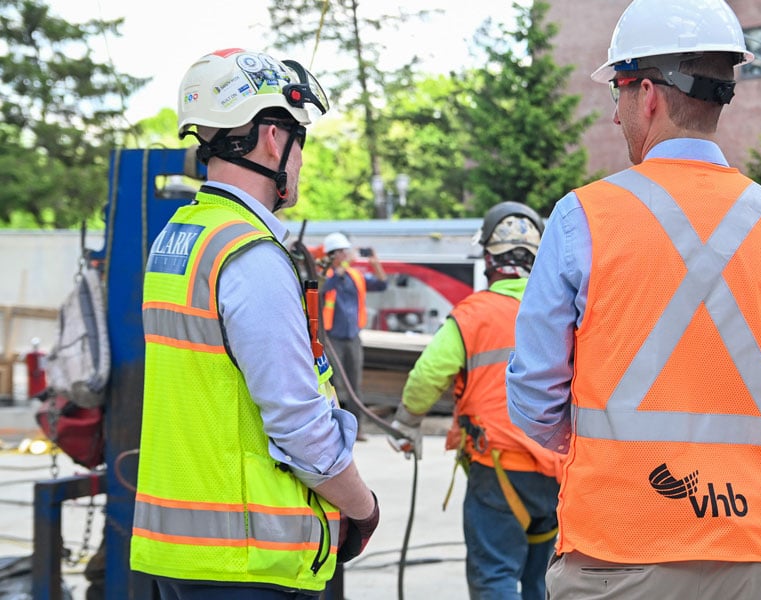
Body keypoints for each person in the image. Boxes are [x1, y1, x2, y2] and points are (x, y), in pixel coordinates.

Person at [505, 1, 761, 598]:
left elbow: (533, 402)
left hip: (616, 555)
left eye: (618, 94)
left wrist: (603, 453)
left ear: (648, 95)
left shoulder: (583, 218)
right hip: (754, 558)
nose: (615, 117)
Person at [130, 48, 379, 599]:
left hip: (181, 556)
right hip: (247, 558)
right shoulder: (249, 254)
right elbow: (296, 420)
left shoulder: (180, 238)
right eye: (300, 141)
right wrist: (361, 508)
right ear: (273, 138)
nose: (299, 161)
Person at [388, 202, 563, 600]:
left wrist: (406, 423)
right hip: (558, 472)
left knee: (495, 577)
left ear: (488, 259)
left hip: (497, 468)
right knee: (544, 581)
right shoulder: (561, 313)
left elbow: (429, 373)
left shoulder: (474, 314)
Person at [320, 231, 388, 438]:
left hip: (352, 337)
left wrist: (375, 263)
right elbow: (321, 290)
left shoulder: (356, 277)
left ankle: (356, 429)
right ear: (333, 255)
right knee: (336, 384)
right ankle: (336, 429)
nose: (348, 254)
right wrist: (338, 270)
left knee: (354, 383)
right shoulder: (325, 277)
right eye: (343, 251)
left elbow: (382, 284)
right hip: (332, 338)